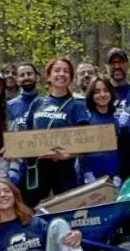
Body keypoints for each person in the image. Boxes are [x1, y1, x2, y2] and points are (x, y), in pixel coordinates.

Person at [20, 56, 91, 204]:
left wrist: (68, 155)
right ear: (49, 76)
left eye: (66, 71)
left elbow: (85, 140)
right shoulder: (38, 103)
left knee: (66, 209)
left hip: (64, 169)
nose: (61, 74)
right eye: (57, 70)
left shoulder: (76, 106)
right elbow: (25, 134)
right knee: (33, 208)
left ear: (71, 77)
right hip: (37, 168)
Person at [79, 77, 129, 186]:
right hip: (91, 177)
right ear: (91, 95)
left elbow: (123, 150)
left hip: (114, 176)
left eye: (106, 90)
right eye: (97, 92)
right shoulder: (85, 118)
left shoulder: (117, 119)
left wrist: (119, 174)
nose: (102, 95)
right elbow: (81, 151)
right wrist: (87, 172)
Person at [7, 61, 40, 126]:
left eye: (29, 74)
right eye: (22, 75)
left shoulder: (47, 103)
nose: (26, 78)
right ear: (17, 80)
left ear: (37, 77)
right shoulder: (9, 106)